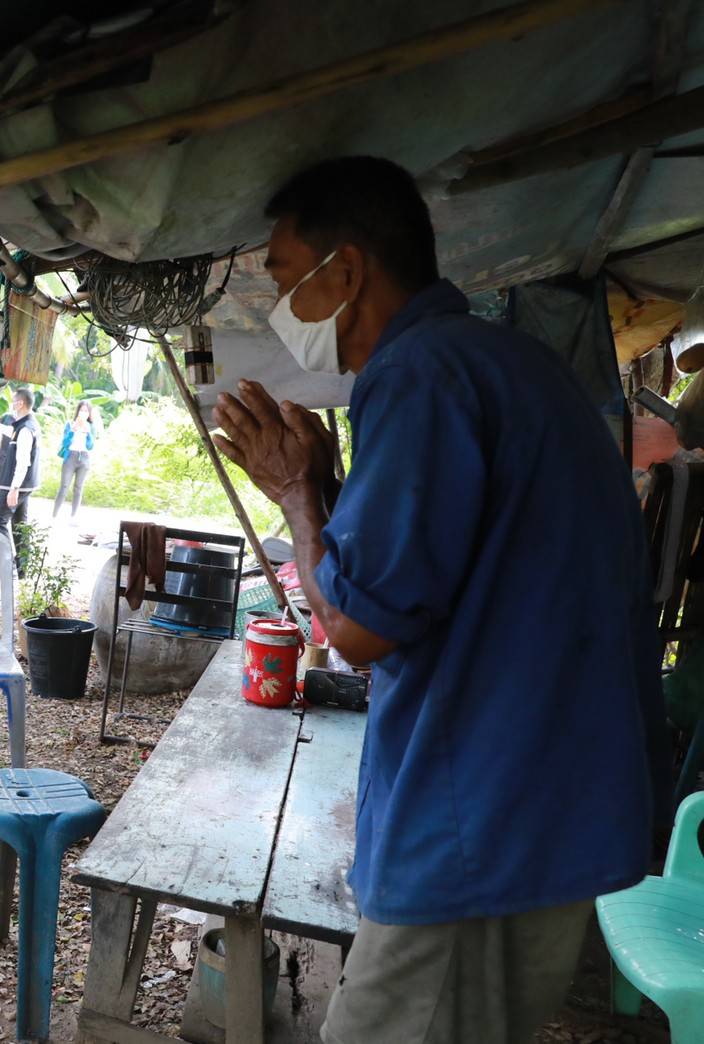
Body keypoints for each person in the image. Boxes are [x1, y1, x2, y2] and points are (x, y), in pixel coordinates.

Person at [212, 156, 664, 1044]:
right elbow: (439, 569)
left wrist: (300, 497)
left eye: (280, 276)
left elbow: (360, 628)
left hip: (480, 824)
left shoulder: (421, 375)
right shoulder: (501, 365)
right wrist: (332, 494)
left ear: (344, 271)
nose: (277, 309)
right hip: (542, 810)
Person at [0, 387, 40, 572]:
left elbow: (23, 461)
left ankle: (7, 567)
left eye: (13, 400)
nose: (12, 404)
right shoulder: (27, 425)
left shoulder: (25, 429)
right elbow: (11, 432)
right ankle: (23, 568)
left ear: (20, 403)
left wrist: (14, 487)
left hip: (16, 484)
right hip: (26, 485)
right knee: (19, 525)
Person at [52, 400, 98, 519]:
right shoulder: (70, 424)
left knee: (78, 488)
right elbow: (65, 443)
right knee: (64, 486)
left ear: (89, 413)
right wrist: (72, 430)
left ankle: (73, 515)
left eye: (86, 411)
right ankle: (54, 515)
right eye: (81, 410)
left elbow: (90, 446)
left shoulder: (91, 426)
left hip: (84, 458)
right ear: (77, 412)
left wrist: (88, 434)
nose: (83, 413)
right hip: (70, 457)